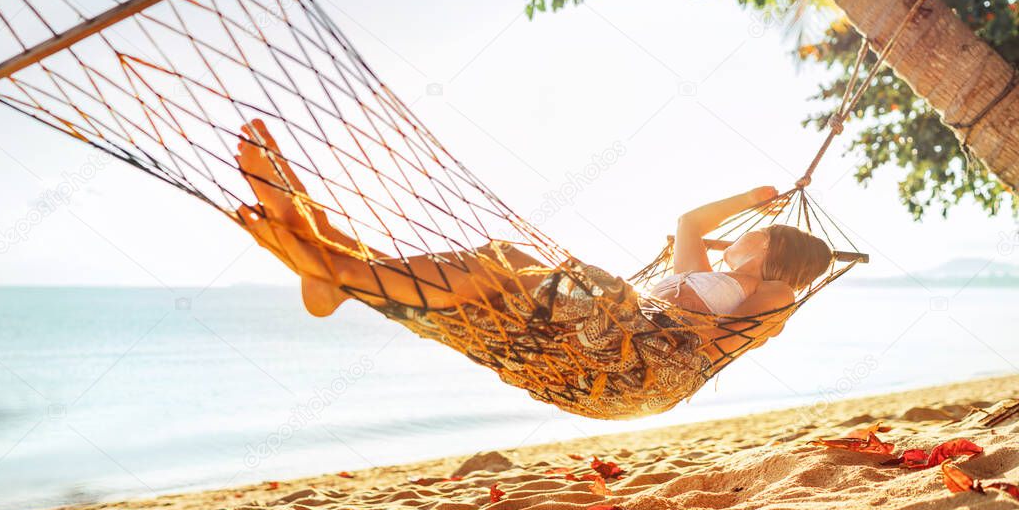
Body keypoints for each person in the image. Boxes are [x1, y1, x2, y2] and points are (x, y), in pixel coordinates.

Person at [231, 119, 833, 416]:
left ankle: (328, 255)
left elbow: (732, 336)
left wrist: (760, 271)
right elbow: (688, 223)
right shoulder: (706, 270)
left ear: (770, 246)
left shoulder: (771, 291)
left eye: (754, 230)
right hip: (614, 333)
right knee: (496, 270)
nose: (742, 233)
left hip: (645, 364)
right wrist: (755, 199)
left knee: (509, 270)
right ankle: (334, 260)